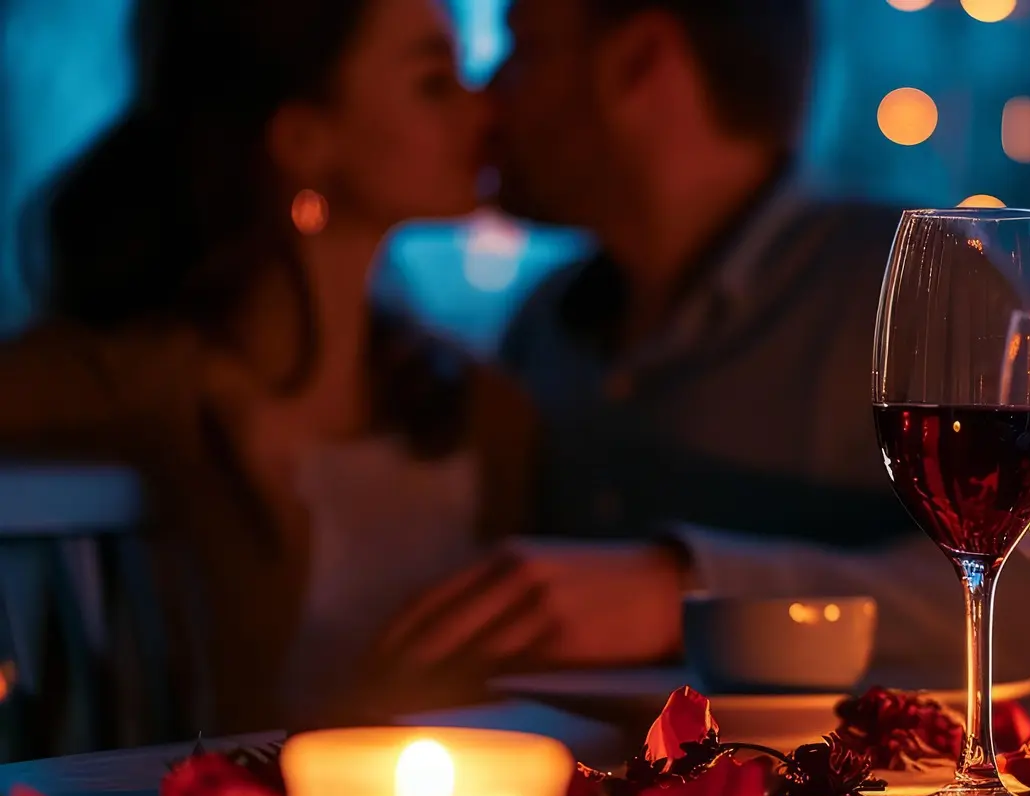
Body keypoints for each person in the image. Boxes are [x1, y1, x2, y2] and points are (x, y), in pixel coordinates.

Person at [484, 0, 1030, 686]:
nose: (490, 93)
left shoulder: (921, 292)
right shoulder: (543, 324)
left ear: (639, 61)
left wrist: (685, 590)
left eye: (524, 48)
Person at [0, 0, 597, 733]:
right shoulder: (151, 386)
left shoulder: (483, 409)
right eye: (434, 82)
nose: (485, 110)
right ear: (305, 139)